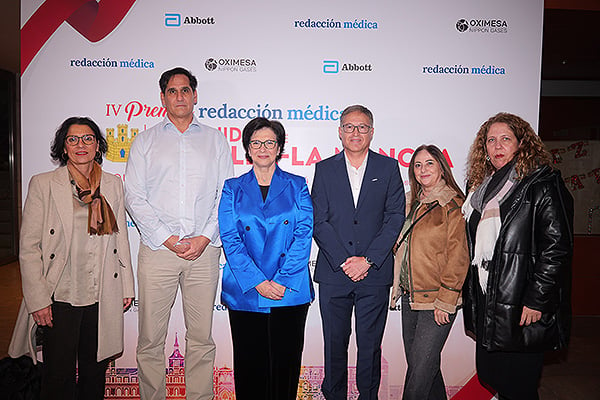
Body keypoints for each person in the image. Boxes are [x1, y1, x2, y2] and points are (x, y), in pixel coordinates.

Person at [125, 67, 233, 400]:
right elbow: (133, 196)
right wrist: (168, 238)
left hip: (204, 252)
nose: (180, 96)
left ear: (195, 95)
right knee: (151, 340)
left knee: (201, 339)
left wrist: (203, 237)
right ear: (163, 98)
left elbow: (224, 193)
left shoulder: (215, 139)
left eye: (185, 90)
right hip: (158, 251)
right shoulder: (145, 141)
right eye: (172, 91)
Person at [8, 116, 135, 400]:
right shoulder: (43, 184)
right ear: (63, 148)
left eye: (88, 138)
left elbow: (120, 239)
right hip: (60, 295)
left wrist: (126, 286)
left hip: (102, 292)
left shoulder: (112, 184)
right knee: (58, 375)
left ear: (98, 146)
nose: (81, 144)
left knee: (95, 372)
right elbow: (29, 248)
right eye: (73, 139)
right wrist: (37, 299)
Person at [462, 112, 573, 400]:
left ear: (521, 144)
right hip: (490, 299)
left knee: (519, 384)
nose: (497, 146)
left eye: (505, 139)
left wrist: (537, 299)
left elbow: (557, 248)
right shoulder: (481, 190)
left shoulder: (542, 183)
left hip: (523, 301)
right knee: (490, 373)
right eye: (491, 140)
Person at [311, 105, 405, 399]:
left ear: (372, 132)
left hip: (374, 274)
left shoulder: (388, 168)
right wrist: (343, 261)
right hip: (333, 273)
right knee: (334, 344)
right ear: (340, 132)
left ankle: (368, 395)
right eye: (349, 127)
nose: (355, 132)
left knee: (370, 344)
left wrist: (368, 260)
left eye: (362, 127)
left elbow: (394, 217)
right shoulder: (324, 169)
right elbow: (319, 219)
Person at [218, 117, 314, 400]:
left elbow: (303, 233)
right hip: (246, 291)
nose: (263, 148)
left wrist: (281, 280)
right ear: (247, 149)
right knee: (250, 369)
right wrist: (257, 281)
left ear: (279, 147)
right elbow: (231, 240)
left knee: (285, 369)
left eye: (269, 142)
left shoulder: (298, 185)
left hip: (289, 289)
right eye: (256, 143)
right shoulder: (232, 188)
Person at [390, 145, 469, 400]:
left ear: (442, 168)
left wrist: (446, 301)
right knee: (426, 369)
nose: (423, 169)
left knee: (417, 380)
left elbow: (459, 256)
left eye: (429, 163)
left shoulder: (452, 203)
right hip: (411, 297)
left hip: (437, 300)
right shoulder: (410, 203)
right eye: (417, 165)